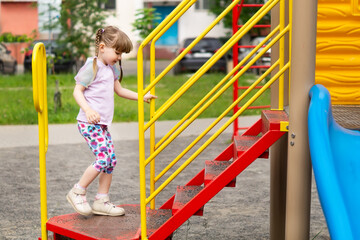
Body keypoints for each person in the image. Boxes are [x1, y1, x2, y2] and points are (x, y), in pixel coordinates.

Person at [66, 26, 156, 217]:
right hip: (89, 124)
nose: (120, 57)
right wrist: (88, 109)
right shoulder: (92, 66)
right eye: (117, 52)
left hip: (102, 125)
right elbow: (77, 91)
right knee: (103, 158)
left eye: (122, 53)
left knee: (110, 161)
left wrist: (141, 96)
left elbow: (120, 91)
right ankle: (77, 191)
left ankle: (101, 200)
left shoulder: (111, 68)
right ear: (101, 47)